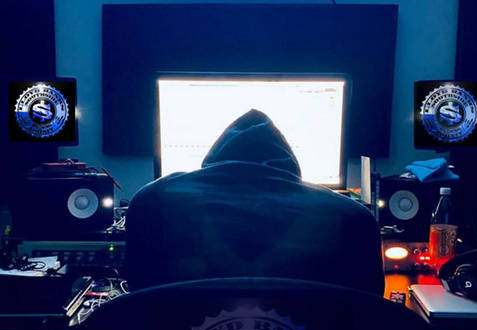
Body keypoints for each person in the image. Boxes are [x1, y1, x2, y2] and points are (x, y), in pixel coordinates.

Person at [125, 109, 384, 294]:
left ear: (213, 158)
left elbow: (137, 299)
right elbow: (369, 318)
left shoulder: (151, 202)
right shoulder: (354, 218)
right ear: (290, 162)